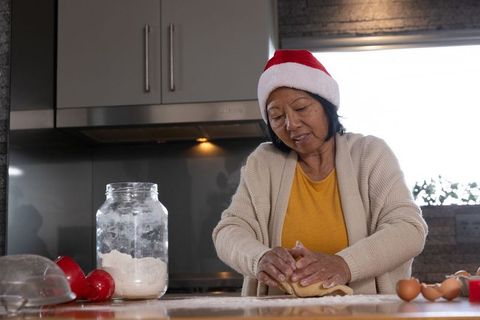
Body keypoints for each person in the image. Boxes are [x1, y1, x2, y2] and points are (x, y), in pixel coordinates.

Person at [212, 49, 428, 296]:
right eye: (277, 116)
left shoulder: (370, 154)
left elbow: (409, 229)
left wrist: (344, 265)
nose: (291, 124)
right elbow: (228, 231)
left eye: (302, 108)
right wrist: (259, 258)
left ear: (327, 105)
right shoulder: (264, 162)